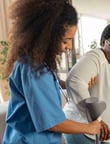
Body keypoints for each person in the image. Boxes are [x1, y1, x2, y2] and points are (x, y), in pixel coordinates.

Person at [2, 0, 102, 143]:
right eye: (65, 41)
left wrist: (73, 84)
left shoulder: (38, 60)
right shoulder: (35, 68)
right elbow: (53, 123)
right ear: (48, 36)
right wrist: (89, 128)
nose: (69, 46)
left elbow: (51, 83)